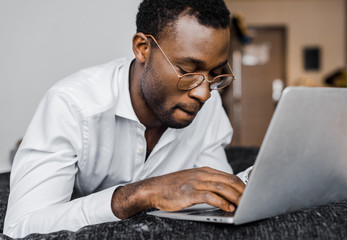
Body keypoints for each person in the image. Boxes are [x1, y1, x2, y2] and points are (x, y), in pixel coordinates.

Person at [4, 0, 252, 238]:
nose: (204, 93)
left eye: (215, 74)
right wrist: (143, 193)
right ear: (143, 48)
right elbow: (20, 227)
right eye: (187, 71)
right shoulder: (71, 105)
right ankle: (23, 149)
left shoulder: (210, 107)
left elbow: (216, 196)